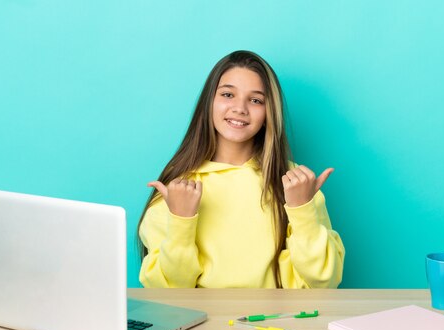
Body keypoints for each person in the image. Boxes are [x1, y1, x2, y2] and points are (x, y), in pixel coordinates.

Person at [137, 50, 344, 288]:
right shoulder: (178, 188)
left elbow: (324, 282)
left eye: (255, 100)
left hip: (276, 322)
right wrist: (181, 220)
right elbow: (170, 290)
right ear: (209, 103)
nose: (240, 108)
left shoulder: (295, 183)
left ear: (269, 113)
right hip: (204, 324)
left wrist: (302, 210)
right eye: (227, 94)